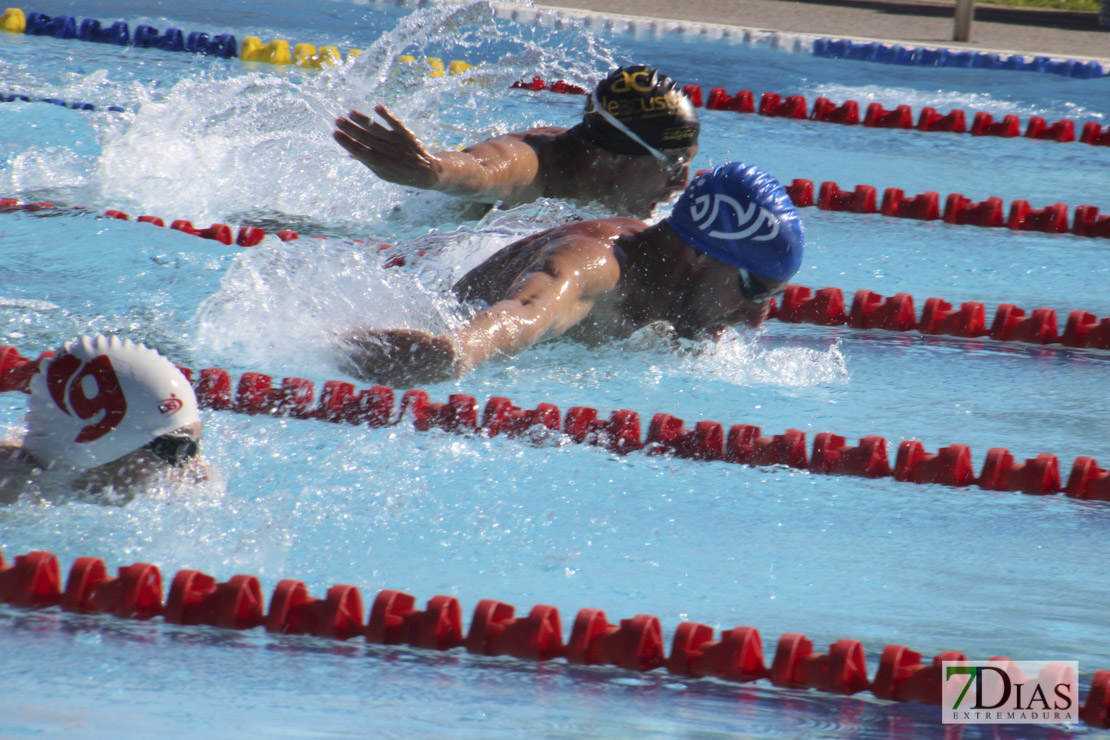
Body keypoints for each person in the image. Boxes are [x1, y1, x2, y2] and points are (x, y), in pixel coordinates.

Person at [340, 161, 804, 386]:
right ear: (700, 255)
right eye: (756, 288)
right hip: (410, 337)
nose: (757, 317)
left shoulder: (676, 298)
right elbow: (528, 309)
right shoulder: (598, 266)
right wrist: (461, 351)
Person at [333, 65, 700, 219]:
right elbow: (482, 170)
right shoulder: (535, 164)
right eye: (673, 164)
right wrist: (433, 171)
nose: (681, 185)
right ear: (617, 155)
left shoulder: (606, 181)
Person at [0, 335, 206, 504]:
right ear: (102, 444)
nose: (198, 471)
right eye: (177, 450)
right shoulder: (12, 490)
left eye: (197, 444)